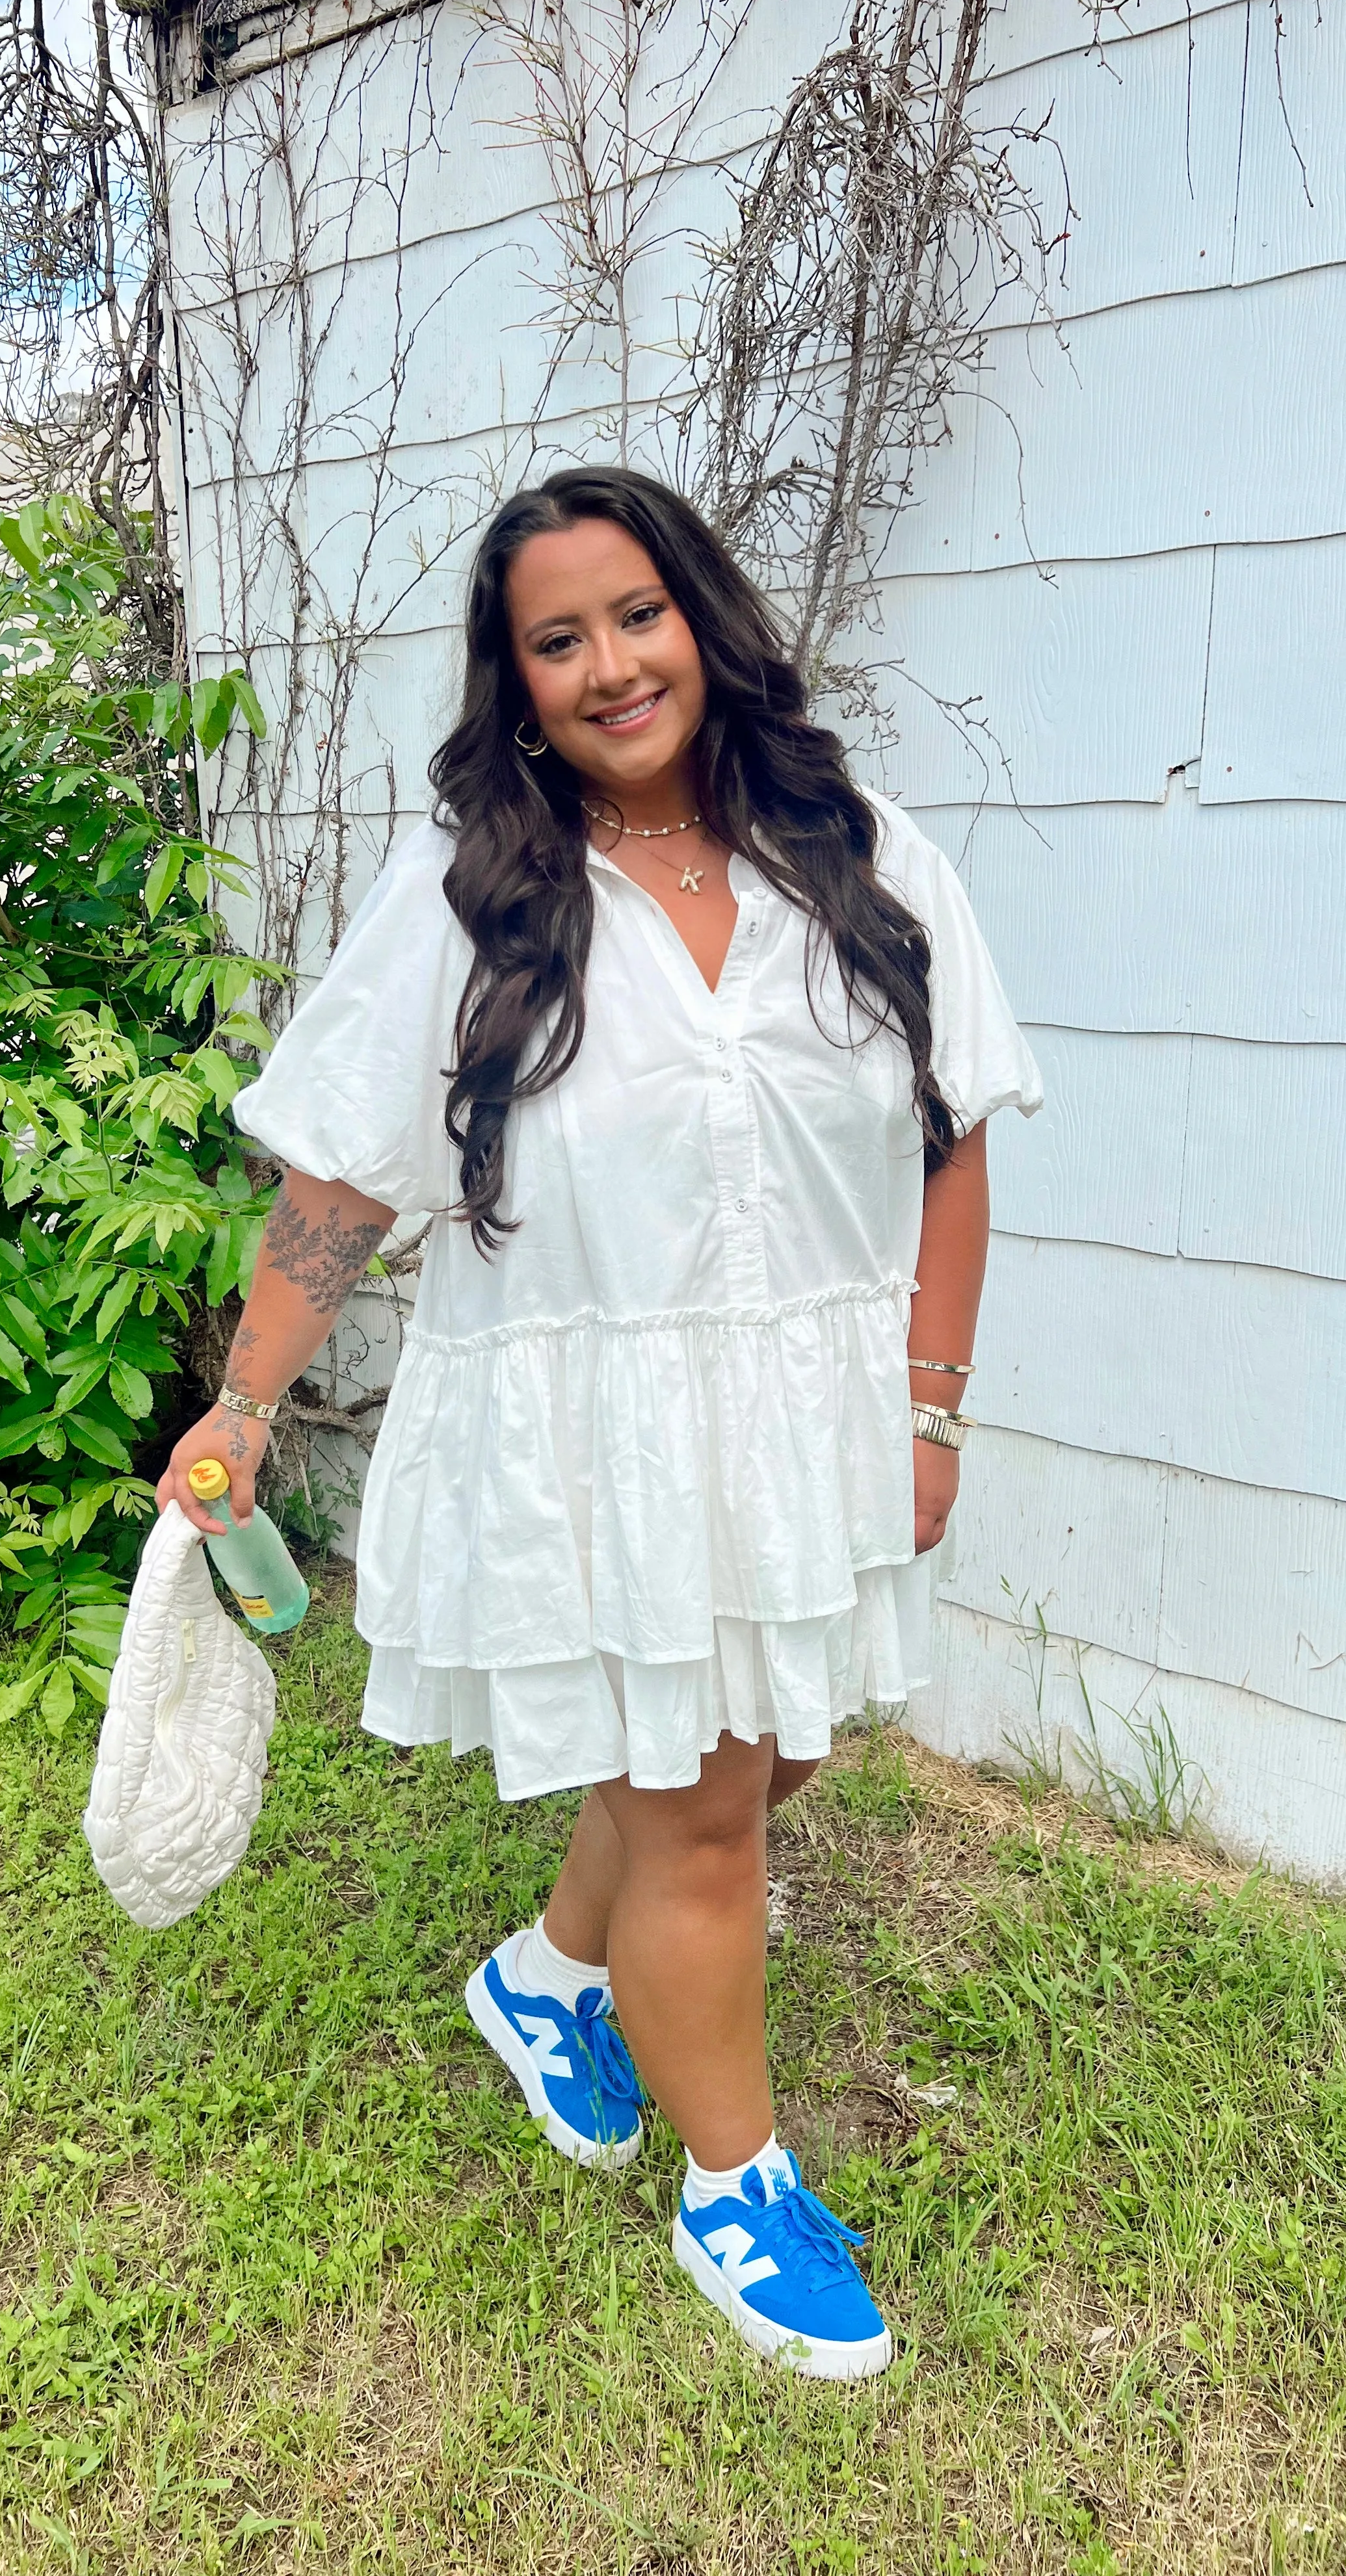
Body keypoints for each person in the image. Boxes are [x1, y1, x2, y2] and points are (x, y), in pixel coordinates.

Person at [157, 466, 1042, 2380]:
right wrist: (241, 1403)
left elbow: (953, 1138)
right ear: (517, 680)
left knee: (749, 1756)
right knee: (707, 1811)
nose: (609, 664)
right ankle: (739, 2190)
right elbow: (343, 1180)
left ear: (699, 619)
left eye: (635, 614)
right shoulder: (470, 891)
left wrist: (933, 1404)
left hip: (810, 1409)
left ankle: (549, 1971)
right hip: (590, 1418)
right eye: (557, 640)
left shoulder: (861, 855)